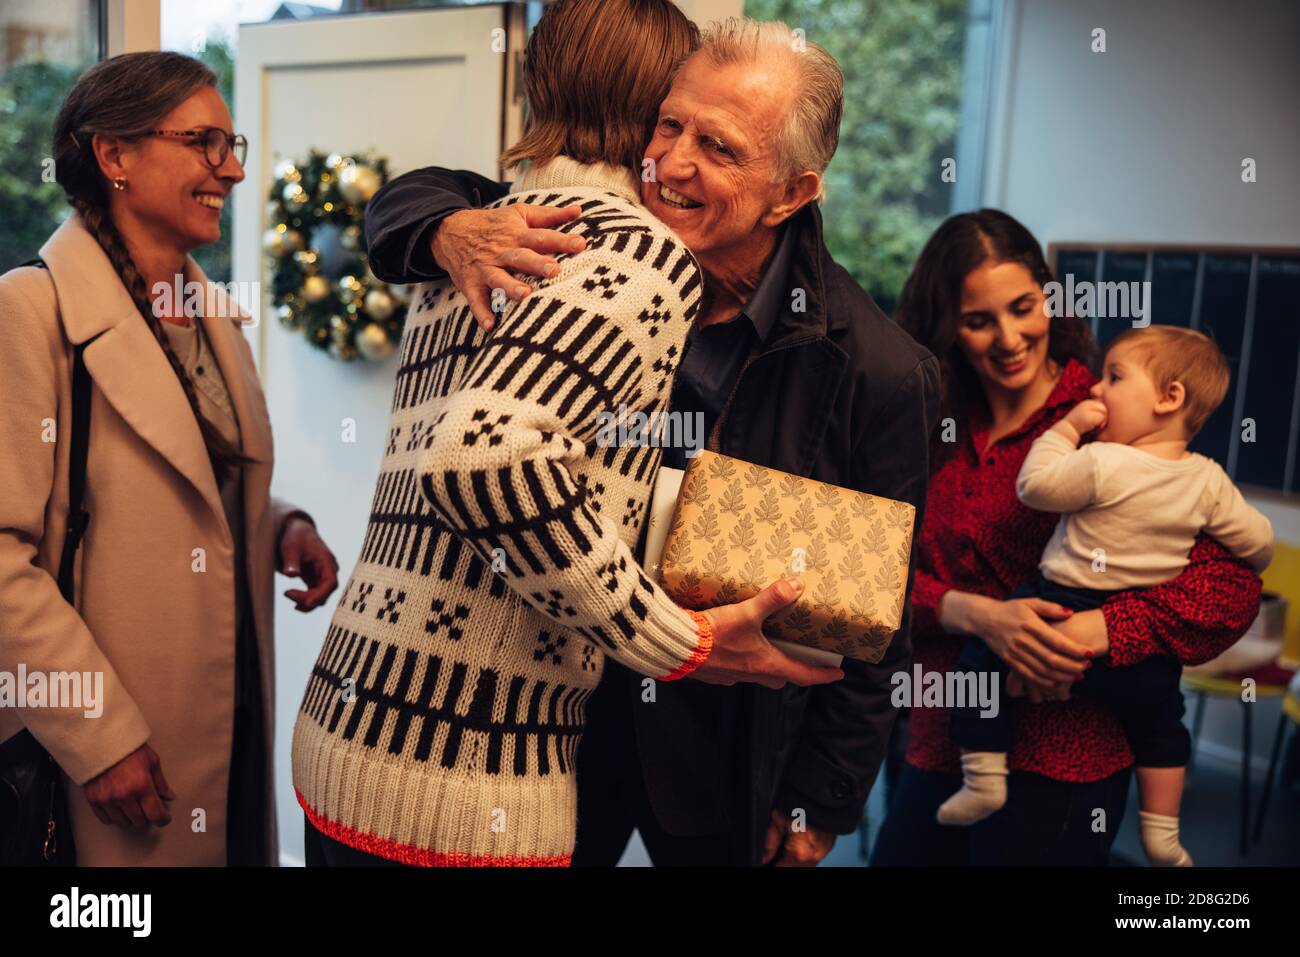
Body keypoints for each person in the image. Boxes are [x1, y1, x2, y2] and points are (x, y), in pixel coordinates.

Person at [362, 15, 941, 866]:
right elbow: (413, 197)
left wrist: (820, 805)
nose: (671, 164)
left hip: (720, 754)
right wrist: (447, 231)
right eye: (667, 125)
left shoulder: (879, 370)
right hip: (562, 734)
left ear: (793, 192)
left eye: (719, 146)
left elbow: (874, 617)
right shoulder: (590, 252)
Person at [0, 51, 338, 866]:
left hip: (225, 713)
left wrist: (278, 520)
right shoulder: (30, 311)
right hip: (110, 749)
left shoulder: (215, 318)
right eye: (203, 143)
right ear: (112, 155)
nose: (229, 170)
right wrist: (98, 735)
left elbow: (187, 482)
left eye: (232, 145)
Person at [870, 209, 1263, 867]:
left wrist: (1096, 631)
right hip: (945, 736)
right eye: (978, 320)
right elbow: (871, 573)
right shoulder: (925, 420)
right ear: (946, 327)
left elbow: (1231, 590)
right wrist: (967, 611)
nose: (1010, 337)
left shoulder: (1109, 418)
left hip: (1068, 756)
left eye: (1024, 306)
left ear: (1049, 296)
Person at [939, 325, 1273, 868]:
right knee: (1164, 724)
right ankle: (1162, 834)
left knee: (980, 671)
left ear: (1169, 399)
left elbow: (1035, 486)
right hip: (1134, 644)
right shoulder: (1209, 481)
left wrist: (1068, 428)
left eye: (1114, 378)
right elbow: (1256, 544)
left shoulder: (1101, 460)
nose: (1097, 390)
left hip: (1059, 602)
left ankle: (984, 778)